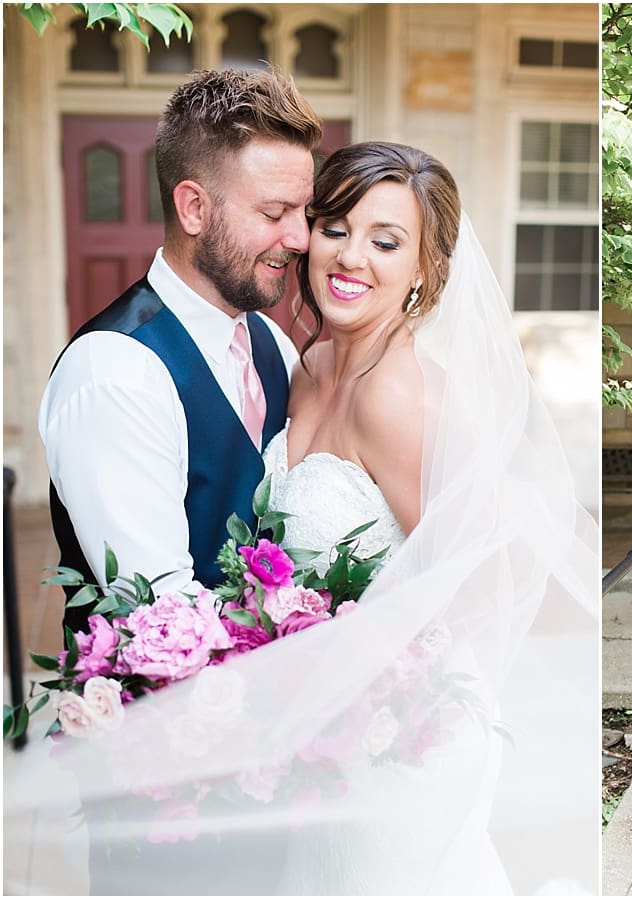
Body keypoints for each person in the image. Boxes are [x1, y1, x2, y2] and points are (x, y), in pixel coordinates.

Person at [6, 142, 599, 895]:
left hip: (391, 748)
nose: (351, 256)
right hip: (306, 749)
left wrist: (380, 696)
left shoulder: (402, 399)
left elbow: (476, 579)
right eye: (334, 226)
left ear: (425, 269)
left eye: (387, 241)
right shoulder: (300, 361)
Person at [39, 68, 321, 635]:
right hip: (159, 713)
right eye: (273, 214)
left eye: (304, 213)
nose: (301, 239)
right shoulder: (115, 371)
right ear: (193, 208)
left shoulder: (270, 339)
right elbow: (160, 615)